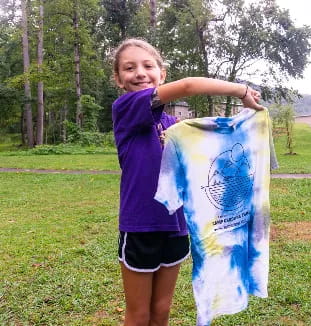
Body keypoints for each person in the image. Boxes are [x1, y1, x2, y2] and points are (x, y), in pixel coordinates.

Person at [111, 38, 264, 326]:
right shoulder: (126, 109)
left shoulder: (173, 126)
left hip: (177, 226)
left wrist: (247, 125)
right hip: (140, 226)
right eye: (129, 68)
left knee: (162, 308)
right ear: (119, 79)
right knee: (139, 313)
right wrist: (241, 90)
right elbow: (189, 86)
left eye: (148, 66)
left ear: (162, 73)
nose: (140, 73)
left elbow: (211, 149)